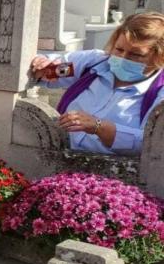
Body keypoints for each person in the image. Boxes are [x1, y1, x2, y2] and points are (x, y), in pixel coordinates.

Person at [30, 12, 164, 156]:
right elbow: (49, 72)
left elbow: (151, 145)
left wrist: (99, 127)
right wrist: (42, 66)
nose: (123, 58)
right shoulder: (94, 63)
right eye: (119, 49)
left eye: (136, 54)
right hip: (58, 155)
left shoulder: (159, 94)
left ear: (160, 57)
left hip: (109, 167)